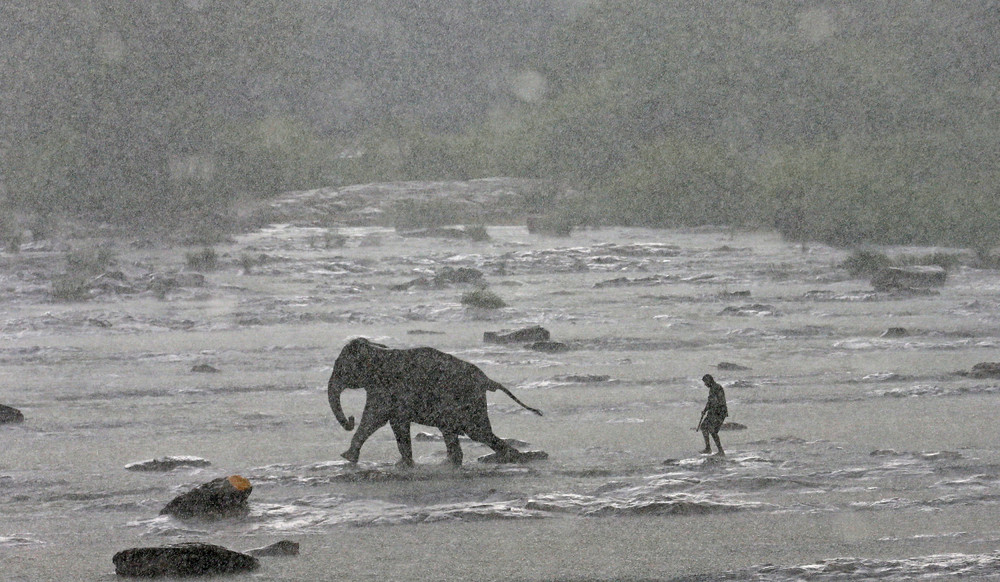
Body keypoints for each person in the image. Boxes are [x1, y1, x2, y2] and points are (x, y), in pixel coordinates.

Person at [697, 374, 727, 455]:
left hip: (719, 412)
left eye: (705, 382)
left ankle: (720, 451)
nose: (705, 384)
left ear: (709, 381)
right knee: (704, 427)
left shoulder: (716, 387)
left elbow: (717, 402)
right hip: (714, 412)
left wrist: (710, 410)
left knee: (712, 430)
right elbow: (710, 402)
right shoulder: (713, 388)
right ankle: (708, 448)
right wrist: (705, 410)